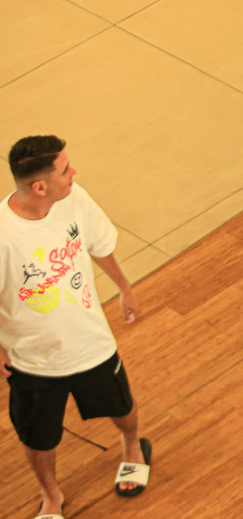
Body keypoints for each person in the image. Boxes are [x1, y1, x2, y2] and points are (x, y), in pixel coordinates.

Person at [1, 135, 151, 519]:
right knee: (38, 437)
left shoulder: (74, 199)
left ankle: (132, 446)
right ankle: (51, 497)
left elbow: (99, 243)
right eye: (65, 169)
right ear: (40, 186)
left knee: (121, 406)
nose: (74, 173)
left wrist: (124, 287)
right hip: (33, 363)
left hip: (92, 346)